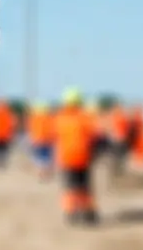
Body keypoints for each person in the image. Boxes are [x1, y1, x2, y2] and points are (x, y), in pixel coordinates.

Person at [54, 87, 99, 225]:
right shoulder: (85, 117)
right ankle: (88, 212)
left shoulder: (60, 118)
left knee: (70, 186)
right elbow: (93, 136)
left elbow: (55, 136)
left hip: (67, 158)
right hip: (83, 157)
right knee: (84, 186)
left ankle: (71, 212)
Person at [26, 100, 56, 180]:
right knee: (47, 159)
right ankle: (45, 173)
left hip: (38, 141)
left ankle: (41, 173)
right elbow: (53, 130)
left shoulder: (35, 118)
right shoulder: (50, 118)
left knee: (39, 159)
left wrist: (32, 139)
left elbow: (32, 130)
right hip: (47, 141)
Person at [105, 101, 134, 178]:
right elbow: (127, 128)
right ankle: (118, 170)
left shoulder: (115, 116)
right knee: (120, 156)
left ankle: (116, 170)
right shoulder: (121, 116)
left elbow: (110, 128)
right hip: (120, 139)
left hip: (117, 139)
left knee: (117, 156)